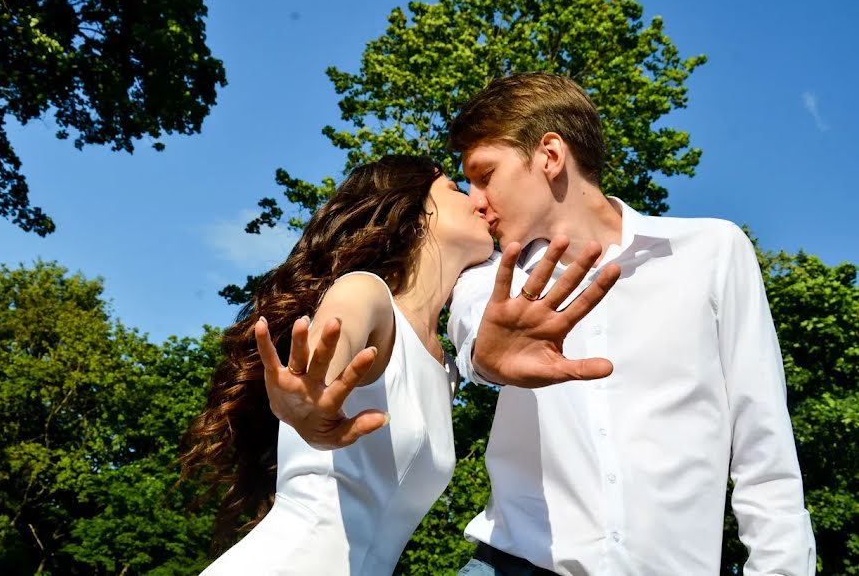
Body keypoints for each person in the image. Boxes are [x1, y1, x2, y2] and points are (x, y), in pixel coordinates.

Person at [273, 74, 816, 575]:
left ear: (551, 155)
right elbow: (473, 340)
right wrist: (486, 360)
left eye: (485, 175)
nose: (477, 202)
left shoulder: (712, 252)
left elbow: (763, 446)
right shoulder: (487, 276)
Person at [180, 154, 619, 575]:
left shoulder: (444, 368)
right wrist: (312, 390)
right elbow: (340, 330)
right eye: (454, 187)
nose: (479, 201)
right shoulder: (366, 294)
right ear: (414, 209)